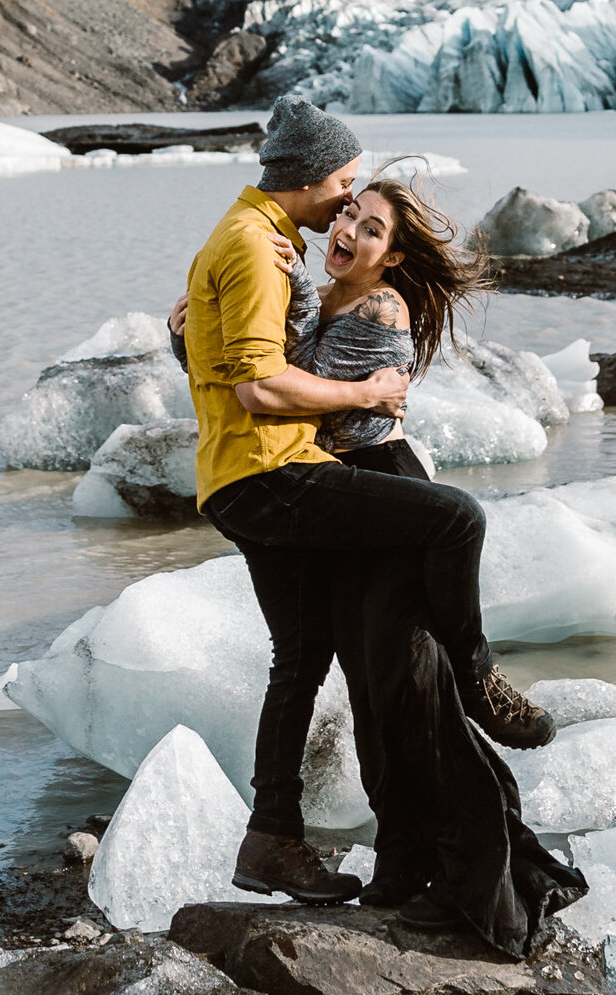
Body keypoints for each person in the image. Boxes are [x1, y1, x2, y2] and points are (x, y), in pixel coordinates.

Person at [180, 169, 583, 952]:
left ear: (391, 257)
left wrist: (227, 335)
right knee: (374, 697)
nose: (349, 234)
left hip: (387, 496)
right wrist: (197, 322)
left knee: (412, 692)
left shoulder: (376, 307)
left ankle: (479, 876)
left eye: (371, 231)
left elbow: (294, 394)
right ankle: (400, 873)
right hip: (345, 504)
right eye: (350, 216)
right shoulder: (319, 295)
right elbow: (258, 369)